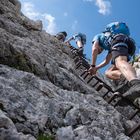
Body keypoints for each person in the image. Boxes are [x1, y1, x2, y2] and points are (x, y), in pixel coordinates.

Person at [88, 22, 140, 105]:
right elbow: (107, 61)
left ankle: (136, 84)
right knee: (108, 72)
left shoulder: (98, 36)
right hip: (128, 45)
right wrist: (96, 68)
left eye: (100, 50)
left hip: (119, 39)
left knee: (119, 61)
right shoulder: (109, 45)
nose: (100, 50)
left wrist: (93, 65)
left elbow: (94, 49)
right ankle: (127, 82)